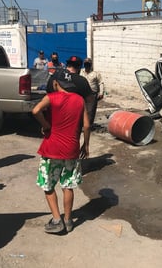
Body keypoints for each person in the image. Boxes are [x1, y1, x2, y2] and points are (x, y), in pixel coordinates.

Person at [32, 68, 90, 234]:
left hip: (51, 149)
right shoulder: (79, 100)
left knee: (48, 185)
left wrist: (46, 126)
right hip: (72, 150)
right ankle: (68, 220)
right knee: (68, 186)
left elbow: (35, 110)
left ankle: (57, 219)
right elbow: (86, 125)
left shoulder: (51, 97)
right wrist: (85, 145)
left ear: (56, 83)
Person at [81, 57, 104, 126]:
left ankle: (89, 125)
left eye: (88, 64)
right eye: (85, 64)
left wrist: (101, 93)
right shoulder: (81, 72)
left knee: (91, 110)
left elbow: (101, 83)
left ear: (91, 65)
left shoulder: (96, 74)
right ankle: (81, 124)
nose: (87, 65)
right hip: (82, 93)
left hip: (92, 94)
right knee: (81, 109)